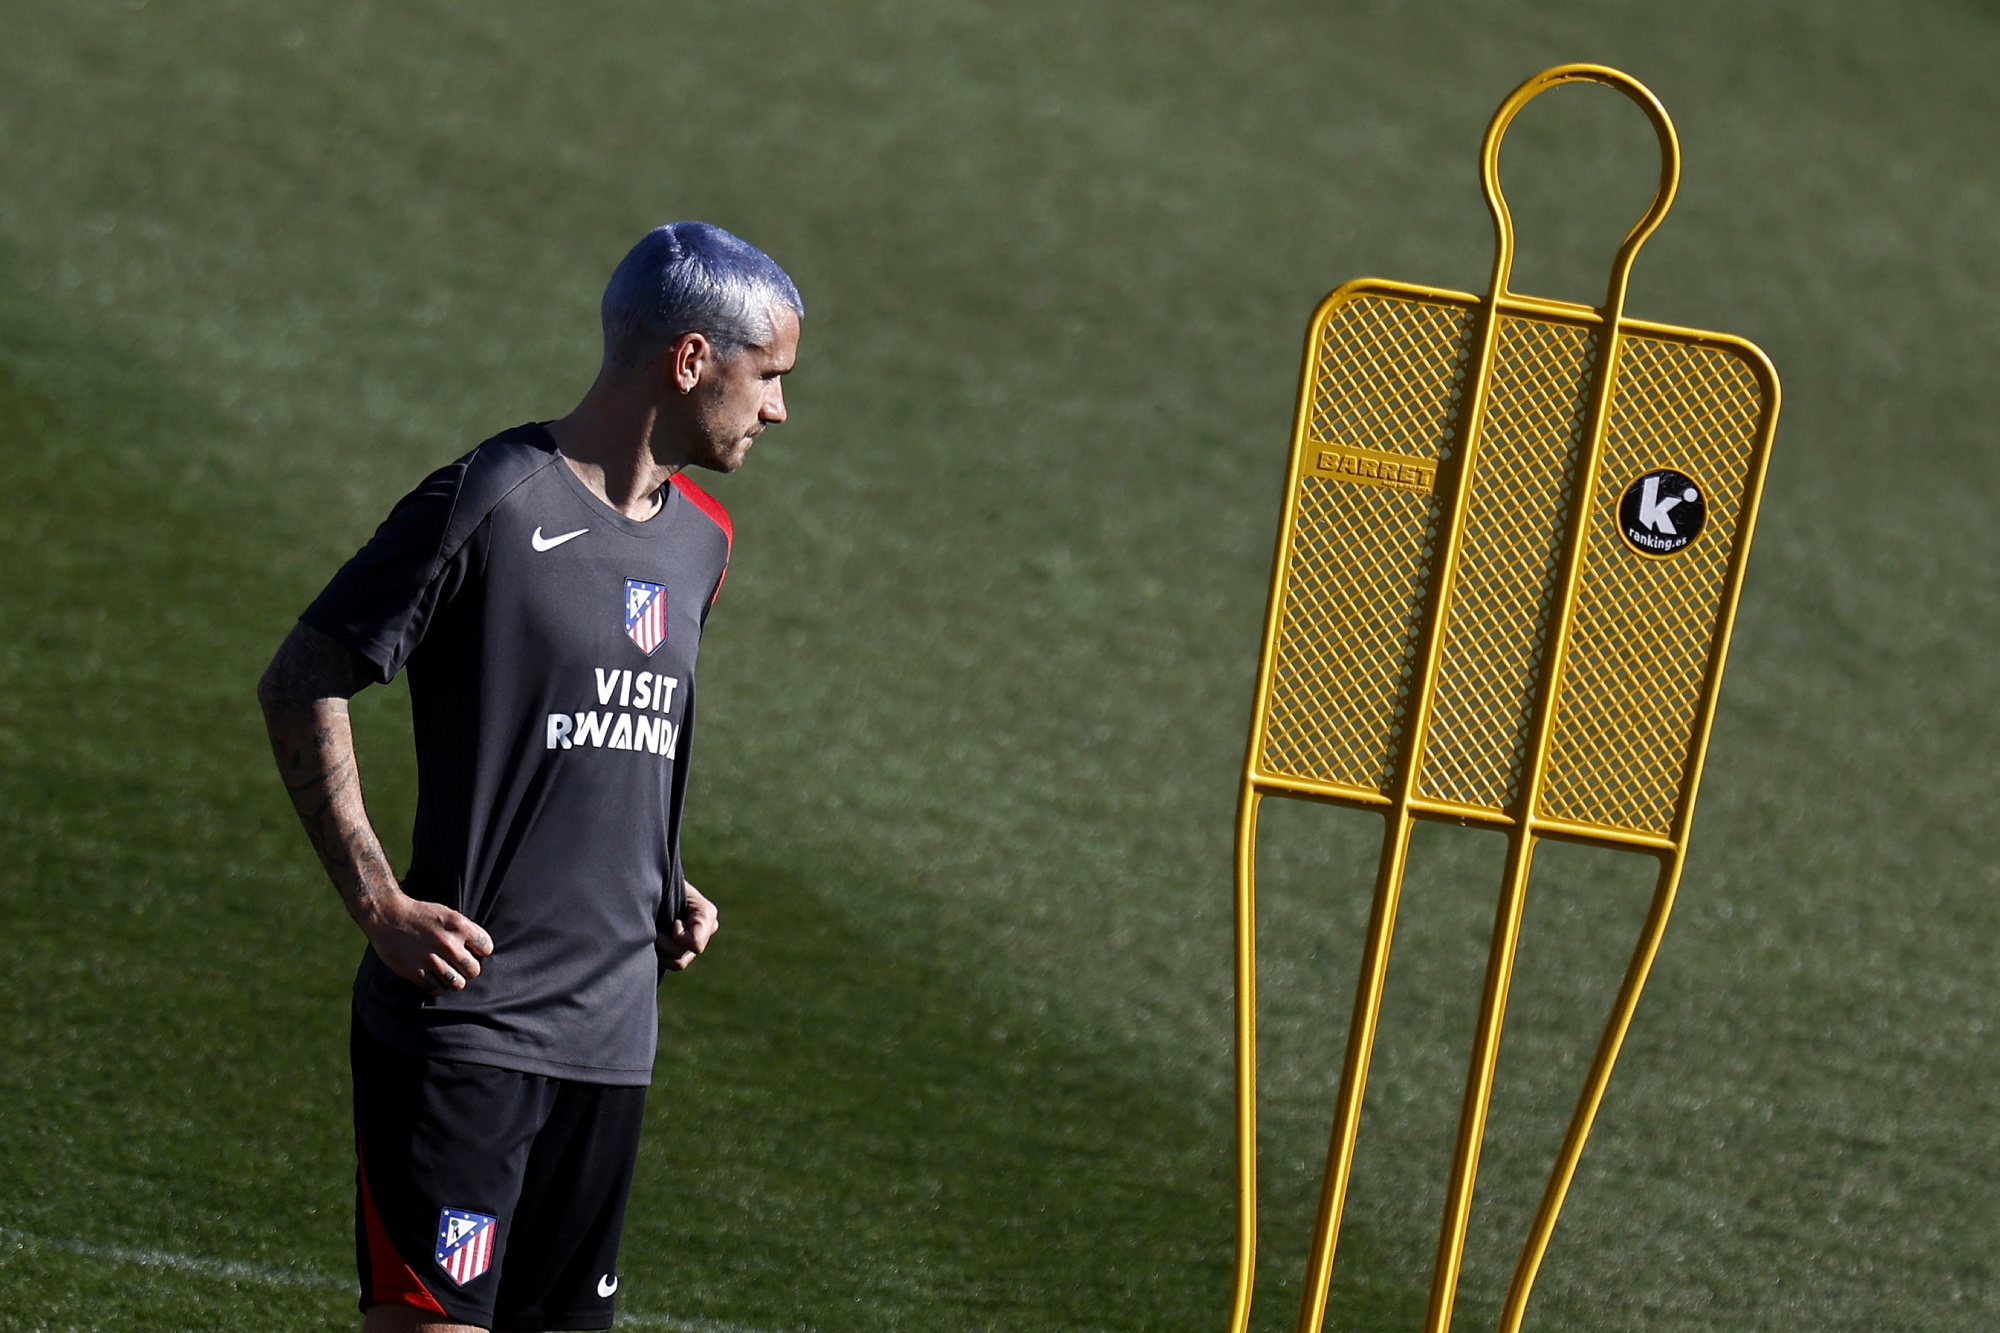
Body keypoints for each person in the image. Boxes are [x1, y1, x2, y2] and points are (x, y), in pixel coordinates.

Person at [257, 222, 802, 1332]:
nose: (780, 409)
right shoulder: (495, 498)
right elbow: (303, 676)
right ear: (690, 360)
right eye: (769, 375)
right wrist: (378, 902)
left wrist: (663, 878)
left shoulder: (703, 542)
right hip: (467, 1031)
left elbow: (608, 734)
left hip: (612, 1042)